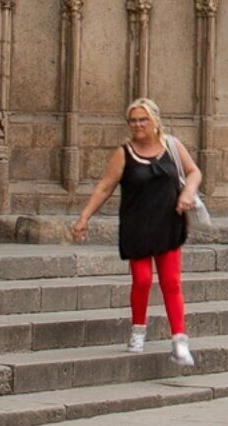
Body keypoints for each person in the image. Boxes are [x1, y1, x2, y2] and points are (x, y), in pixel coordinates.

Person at [71, 98, 203, 366]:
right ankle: (138, 330)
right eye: (133, 120)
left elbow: (193, 172)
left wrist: (188, 192)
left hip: (168, 222)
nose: (138, 125)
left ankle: (179, 340)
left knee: (171, 282)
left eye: (143, 119)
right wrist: (84, 217)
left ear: (155, 120)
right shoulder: (124, 152)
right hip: (137, 225)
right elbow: (105, 187)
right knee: (142, 280)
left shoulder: (173, 146)